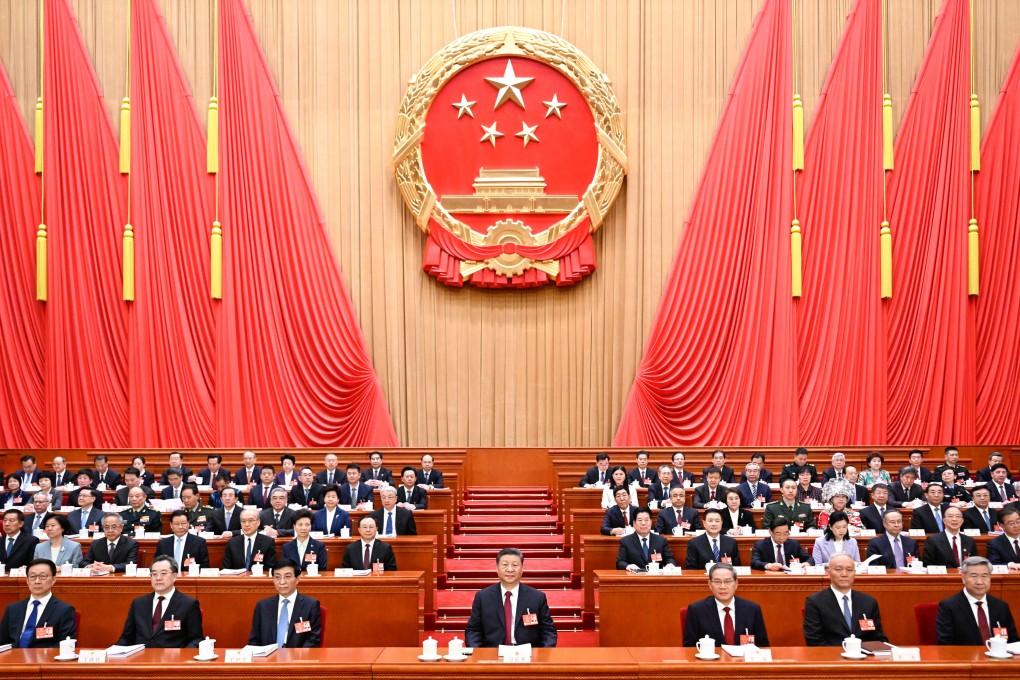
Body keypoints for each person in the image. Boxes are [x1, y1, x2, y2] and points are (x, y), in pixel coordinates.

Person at [465, 547, 557, 648]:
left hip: (527, 656)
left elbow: (548, 631)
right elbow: (474, 630)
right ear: (497, 568)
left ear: (522, 569)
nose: (510, 569)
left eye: (515, 565)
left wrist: (543, 654)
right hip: (493, 655)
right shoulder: (483, 597)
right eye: (505, 565)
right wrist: (477, 653)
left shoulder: (537, 597)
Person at [116, 555, 204, 647]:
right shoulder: (138, 603)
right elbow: (126, 638)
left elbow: (196, 640)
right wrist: (110, 654)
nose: (158, 578)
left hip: (172, 659)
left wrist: (181, 658)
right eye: (154, 574)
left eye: (163, 573)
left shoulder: (188, 604)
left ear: (174, 576)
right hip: (141, 658)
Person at [803, 553, 887, 646]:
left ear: (854, 572)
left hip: (864, 656)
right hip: (831, 657)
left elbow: (878, 637)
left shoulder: (869, 602)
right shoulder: (815, 602)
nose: (844, 574)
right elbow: (814, 640)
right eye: (838, 570)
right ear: (828, 572)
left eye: (849, 570)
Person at [683, 563, 769, 647]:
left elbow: (763, 645)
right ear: (709, 584)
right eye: (717, 582)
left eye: (727, 581)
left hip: (742, 660)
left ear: (736, 583)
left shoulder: (753, 610)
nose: (722, 586)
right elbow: (689, 647)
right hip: (711, 661)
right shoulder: (696, 610)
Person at [935, 556, 1019, 644]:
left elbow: (1013, 641)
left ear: (990, 577)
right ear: (963, 578)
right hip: (964, 656)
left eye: (984, 576)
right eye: (974, 576)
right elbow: (945, 643)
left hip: (998, 657)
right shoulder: (949, 606)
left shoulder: (1001, 606)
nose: (979, 582)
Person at [0, 559, 76, 648]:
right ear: (27, 581)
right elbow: (2, 641)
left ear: (53, 580)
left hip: (44, 659)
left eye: (43, 576)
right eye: (32, 577)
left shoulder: (64, 610)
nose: (37, 581)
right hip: (13, 658)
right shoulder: (13, 609)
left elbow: (64, 644)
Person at [247, 557, 322, 648]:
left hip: (298, 659)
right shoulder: (262, 606)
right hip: (268, 659)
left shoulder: (310, 605)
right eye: (277, 577)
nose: (282, 582)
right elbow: (254, 640)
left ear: (297, 578)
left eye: (287, 576)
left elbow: (313, 640)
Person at [616, 507, 676, 572]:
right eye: (640, 520)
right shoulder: (626, 541)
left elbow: (669, 558)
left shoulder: (661, 540)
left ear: (651, 522)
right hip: (635, 578)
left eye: (646, 520)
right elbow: (620, 562)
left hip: (656, 578)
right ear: (634, 524)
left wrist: (670, 564)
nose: (643, 523)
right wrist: (628, 566)